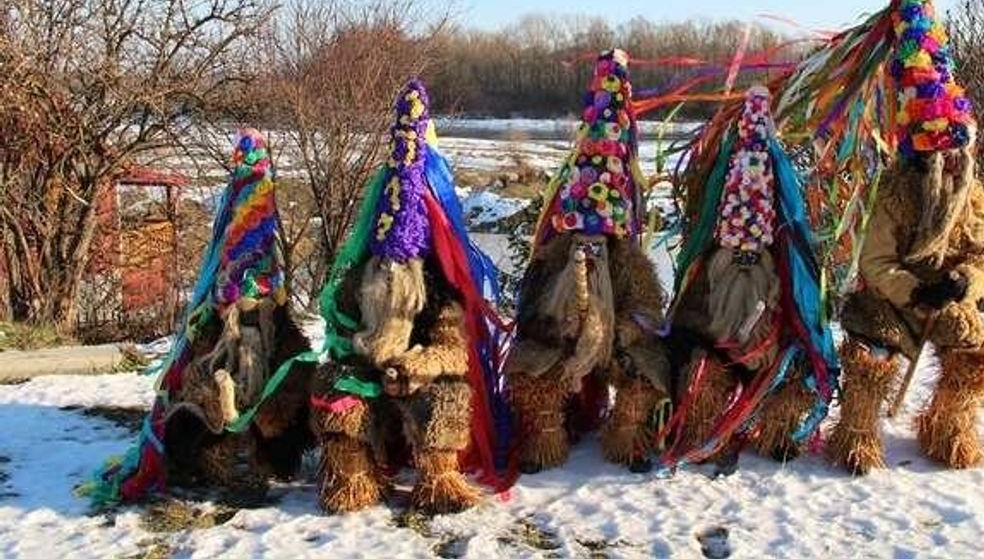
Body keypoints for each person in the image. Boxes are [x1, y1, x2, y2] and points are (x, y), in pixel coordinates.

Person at [826, 0, 984, 474]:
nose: (945, 162)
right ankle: (857, 439)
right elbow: (875, 260)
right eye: (934, 154)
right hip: (894, 302)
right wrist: (912, 291)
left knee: (976, 355)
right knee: (868, 357)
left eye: (952, 152)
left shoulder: (971, 194)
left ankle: (947, 431)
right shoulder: (894, 190)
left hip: (950, 301)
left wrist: (964, 283)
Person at [310, 79, 510, 514]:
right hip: (365, 370)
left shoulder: (436, 293)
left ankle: (440, 484)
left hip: (416, 375)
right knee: (333, 390)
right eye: (385, 264)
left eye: (402, 266)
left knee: (446, 398)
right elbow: (340, 329)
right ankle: (354, 483)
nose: (391, 273)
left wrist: (416, 365)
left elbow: (452, 351)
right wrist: (353, 355)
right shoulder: (359, 282)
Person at [85, 129, 314, 505]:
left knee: (267, 384)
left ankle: (260, 453)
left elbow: (255, 247)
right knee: (206, 387)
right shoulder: (244, 199)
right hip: (237, 307)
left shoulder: (253, 200)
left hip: (257, 305)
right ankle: (214, 454)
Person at [506, 49, 669, 474]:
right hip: (560, 345)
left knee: (644, 379)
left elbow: (649, 309)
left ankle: (627, 441)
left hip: (617, 343)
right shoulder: (555, 257)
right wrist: (555, 330)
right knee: (531, 375)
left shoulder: (626, 261)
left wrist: (626, 332)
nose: (588, 243)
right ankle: (545, 443)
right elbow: (531, 310)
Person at [662, 84, 838, 470]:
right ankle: (701, 436)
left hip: (771, 354)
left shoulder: (786, 271)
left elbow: (807, 319)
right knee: (701, 380)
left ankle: (780, 436)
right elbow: (686, 321)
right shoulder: (708, 269)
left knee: (793, 386)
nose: (745, 252)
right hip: (717, 349)